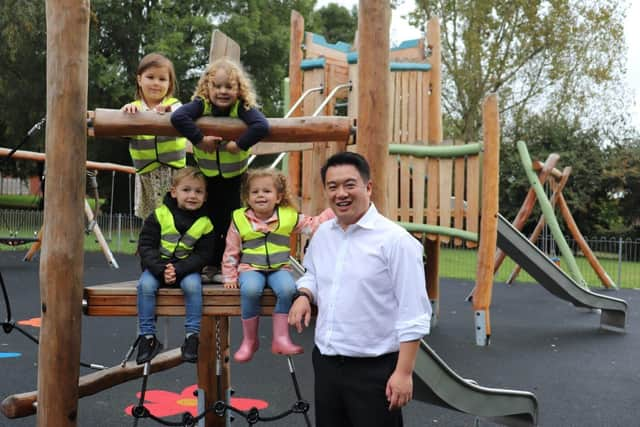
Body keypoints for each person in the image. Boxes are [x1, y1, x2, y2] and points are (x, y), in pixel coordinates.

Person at [288, 151, 432, 427]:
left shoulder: (396, 242)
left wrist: (404, 373)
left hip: (375, 369)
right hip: (327, 362)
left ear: (368, 187)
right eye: (333, 187)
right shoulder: (323, 236)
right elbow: (313, 274)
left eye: (349, 184)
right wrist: (304, 295)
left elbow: (414, 313)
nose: (341, 193)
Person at [171, 57, 269, 282]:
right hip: (208, 180)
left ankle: (231, 266)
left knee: (232, 222)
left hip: (235, 179)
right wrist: (199, 140)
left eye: (229, 86)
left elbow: (262, 125)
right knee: (209, 222)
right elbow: (178, 116)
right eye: (217, 86)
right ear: (208, 87)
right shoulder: (201, 105)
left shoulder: (241, 108)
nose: (223, 91)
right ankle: (210, 265)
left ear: (238, 89)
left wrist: (239, 144)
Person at [221, 168, 334, 363]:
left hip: (279, 267)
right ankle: (250, 340)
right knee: (250, 290)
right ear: (247, 197)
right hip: (250, 268)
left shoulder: (288, 216)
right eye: (255, 192)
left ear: (278, 196)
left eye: (267, 191)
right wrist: (230, 277)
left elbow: (311, 226)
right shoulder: (240, 219)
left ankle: (281, 338)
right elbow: (231, 250)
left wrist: (330, 213)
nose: (260, 195)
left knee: (287, 289)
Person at [136, 167, 215, 364]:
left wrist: (178, 269)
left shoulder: (206, 223)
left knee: (193, 287)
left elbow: (204, 254)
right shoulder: (159, 215)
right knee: (145, 286)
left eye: (198, 191)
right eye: (186, 190)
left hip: (186, 269)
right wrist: (162, 269)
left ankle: (191, 337)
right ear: (174, 192)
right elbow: (146, 246)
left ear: (205, 197)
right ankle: (148, 337)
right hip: (157, 267)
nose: (192, 195)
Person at [121, 52, 188, 220]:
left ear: (169, 83)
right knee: (151, 218)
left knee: (174, 215)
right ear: (139, 80)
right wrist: (127, 112)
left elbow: (182, 113)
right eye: (150, 77)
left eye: (162, 79)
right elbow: (121, 126)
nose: (156, 83)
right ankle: (150, 244)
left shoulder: (173, 105)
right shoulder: (133, 108)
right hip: (146, 173)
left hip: (172, 172)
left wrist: (168, 111)